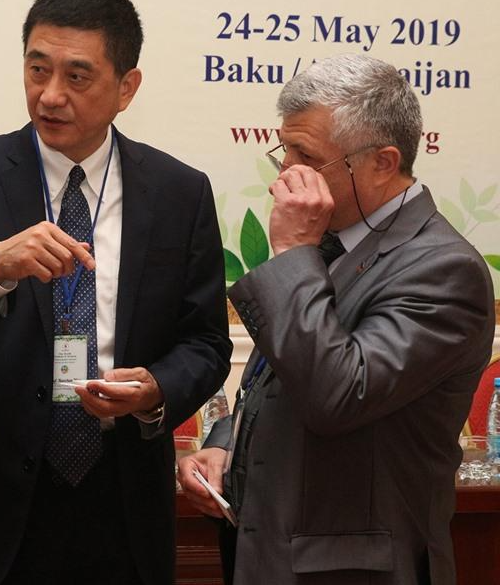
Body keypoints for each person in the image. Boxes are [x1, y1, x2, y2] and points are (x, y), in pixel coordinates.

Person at [0, 0, 232, 585]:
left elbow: (205, 342)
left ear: (127, 87)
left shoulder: (179, 192)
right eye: (37, 69)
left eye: (77, 77)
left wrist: (155, 390)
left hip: (123, 499)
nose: (49, 95)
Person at [178, 54, 495, 585]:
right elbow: (277, 379)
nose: (285, 174)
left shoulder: (444, 270)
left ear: (383, 162)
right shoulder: (333, 240)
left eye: (307, 156)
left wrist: (290, 251)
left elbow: (337, 395)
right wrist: (225, 443)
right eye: (285, 149)